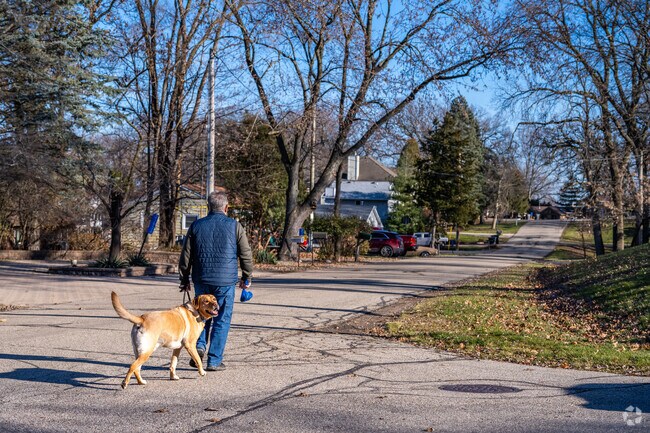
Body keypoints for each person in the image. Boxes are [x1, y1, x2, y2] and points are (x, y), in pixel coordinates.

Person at [179, 191, 253, 371]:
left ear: (208, 207)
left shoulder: (196, 225)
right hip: (225, 281)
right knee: (221, 319)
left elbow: (186, 256)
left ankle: (199, 346)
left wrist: (184, 278)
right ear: (226, 208)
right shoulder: (235, 226)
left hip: (202, 279)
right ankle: (214, 360)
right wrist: (246, 277)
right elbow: (245, 254)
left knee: (202, 315)